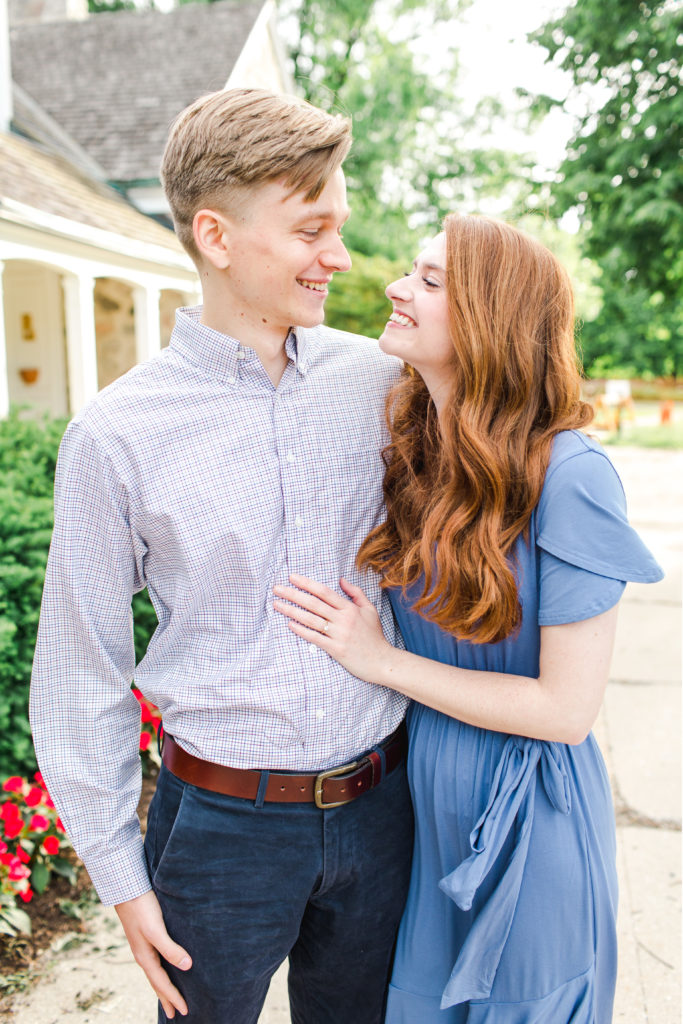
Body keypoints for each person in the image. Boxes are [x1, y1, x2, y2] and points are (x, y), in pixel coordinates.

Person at [30, 88, 414, 1024]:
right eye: (311, 229)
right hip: (219, 831)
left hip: (385, 803)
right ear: (216, 234)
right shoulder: (115, 435)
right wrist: (122, 879)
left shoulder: (382, 385)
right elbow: (80, 669)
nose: (340, 256)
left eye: (340, 227)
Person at [274, 213, 664, 1023]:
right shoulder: (416, 451)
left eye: (427, 280)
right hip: (420, 812)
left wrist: (378, 661)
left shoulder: (570, 475)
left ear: (491, 317)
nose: (392, 287)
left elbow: (565, 711)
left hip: (529, 817)